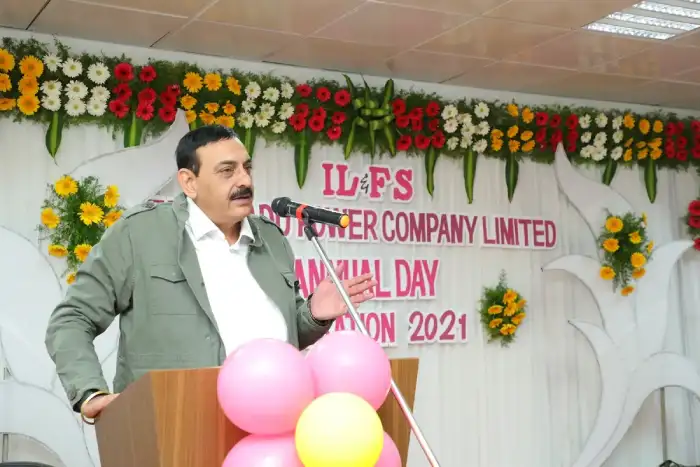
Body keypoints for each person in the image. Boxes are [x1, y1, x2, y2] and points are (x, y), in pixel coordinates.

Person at [45, 125, 376, 424]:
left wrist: (314, 315)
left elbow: (282, 339)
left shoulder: (271, 238)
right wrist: (90, 392)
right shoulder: (140, 234)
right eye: (227, 171)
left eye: (247, 168)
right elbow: (72, 318)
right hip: (173, 426)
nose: (244, 181)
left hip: (271, 426)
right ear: (189, 182)